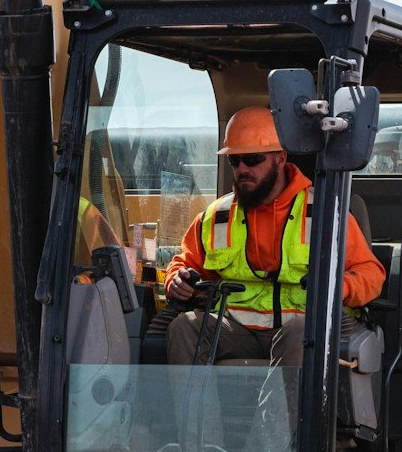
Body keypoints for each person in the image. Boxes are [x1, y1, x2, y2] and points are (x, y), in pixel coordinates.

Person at [162, 105, 385, 371]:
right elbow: (183, 264)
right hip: (237, 329)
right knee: (184, 327)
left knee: (301, 334)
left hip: (302, 328)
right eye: (235, 161)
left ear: (280, 158)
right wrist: (176, 280)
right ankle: (195, 415)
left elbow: (371, 274)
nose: (243, 168)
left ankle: (281, 415)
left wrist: (339, 286)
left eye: (253, 159)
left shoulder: (324, 213)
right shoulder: (216, 215)